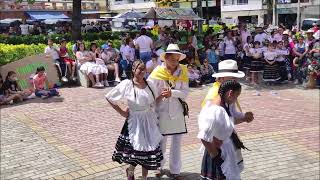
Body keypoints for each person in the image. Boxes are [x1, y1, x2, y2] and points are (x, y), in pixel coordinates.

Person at [105, 60, 163, 180]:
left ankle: (144, 177)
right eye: (139, 69)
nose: (142, 71)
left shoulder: (150, 84)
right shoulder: (127, 84)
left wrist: (162, 96)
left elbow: (154, 102)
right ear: (133, 70)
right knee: (135, 151)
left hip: (149, 120)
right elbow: (109, 97)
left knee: (148, 152)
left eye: (144, 69)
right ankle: (130, 171)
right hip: (134, 121)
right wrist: (122, 112)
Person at [198, 80, 254, 180]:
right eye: (236, 96)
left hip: (223, 149)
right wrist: (216, 156)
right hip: (217, 152)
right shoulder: (215, 110)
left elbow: (227, 120)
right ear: (230, 93)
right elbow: (203, 136)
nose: (236, 100)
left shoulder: (224, 103)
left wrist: (244, 117)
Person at [148, 44, 189, 179]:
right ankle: (159, 166)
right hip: (162, 110)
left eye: (177, 59)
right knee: (161, 141)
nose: (175, 62)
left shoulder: (183, 70)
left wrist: (173, 93)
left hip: (177, 111)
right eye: (172, 59)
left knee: (177, 142)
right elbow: (148, 89)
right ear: (165, 58)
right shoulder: (157, 72)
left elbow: (185, 92)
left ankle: (175, 170)